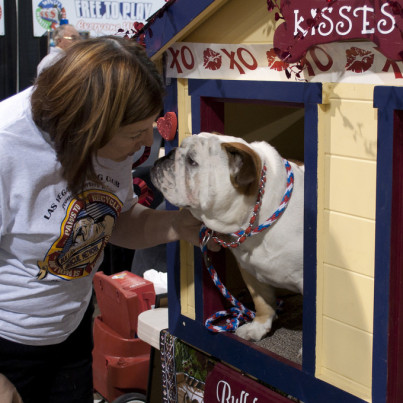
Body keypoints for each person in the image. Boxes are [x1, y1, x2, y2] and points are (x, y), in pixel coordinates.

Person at [0, 36, 216, 403]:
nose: (144, 143)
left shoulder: (108, 132)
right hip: (9, 344)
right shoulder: (8, 145)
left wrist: (175, 225)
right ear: (87, 126)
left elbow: (116, 220)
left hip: (71, 328)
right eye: (134, 134)